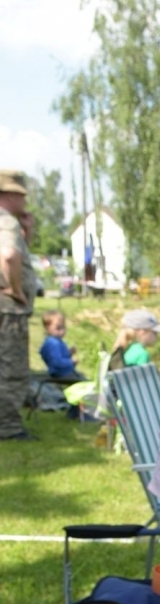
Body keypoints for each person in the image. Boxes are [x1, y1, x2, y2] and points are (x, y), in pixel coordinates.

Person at [0, 169, 39, 440]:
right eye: (21, 194)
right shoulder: (6, 223)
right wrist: (16, 291)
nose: (25, 200)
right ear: (10, 194)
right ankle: (9, 428)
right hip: (8, 309)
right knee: (11, 369)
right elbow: (9, 255)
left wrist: (27, 231)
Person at [39, 310, 85, 381]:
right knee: (83, 381)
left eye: (63, 328)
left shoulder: (56, 341)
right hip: (60, 373)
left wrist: (69, 353)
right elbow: (57, 362)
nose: (62, 331)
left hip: (63, 372)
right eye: (58, 328)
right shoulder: (53, 343)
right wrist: (71, 361)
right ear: (47, 328)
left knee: (82, 376)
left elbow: (60, 356)